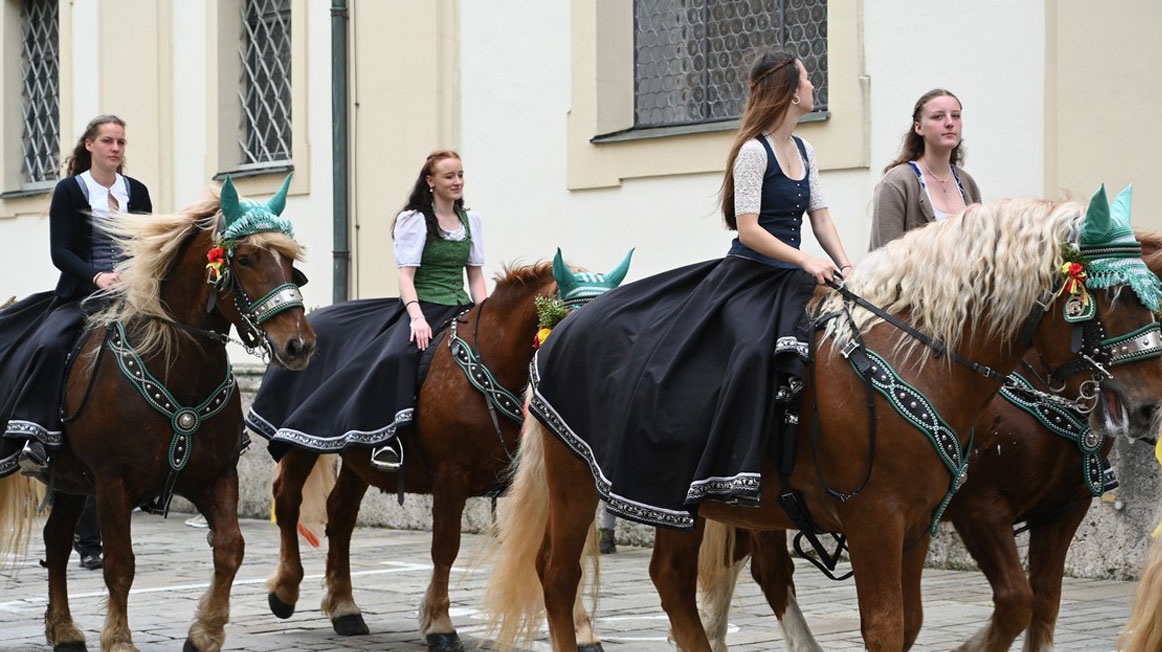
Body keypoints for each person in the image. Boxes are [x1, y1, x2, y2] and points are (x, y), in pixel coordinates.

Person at [523, 51, 853, 529]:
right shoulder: (753, 152)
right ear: (788, 90)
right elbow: (749, 228)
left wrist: (845, 266)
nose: (812, 85)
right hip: (751, 275)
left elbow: (820, 217)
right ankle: (725, 466)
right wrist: (804, 258)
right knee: (746, 349)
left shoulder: (805, 151)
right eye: (806, 77)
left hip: (795, 277)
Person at [247, 150, 486, 486]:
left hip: (461, 307)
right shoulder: (415, 220)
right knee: (394, 357)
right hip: (423, 306)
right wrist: (416, 318)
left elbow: (475, 277)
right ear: (431, 181)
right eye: (449, 176)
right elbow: (406, 277)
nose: (457, 181)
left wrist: (484, 313)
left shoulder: (470, 221)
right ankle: (385, 443)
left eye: (460, 175)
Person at [0, 114, 152, 569]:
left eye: (121, 141)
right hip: (83, 294)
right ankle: (35, 436)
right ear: (89, 145)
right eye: (108, 140)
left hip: (133, 293)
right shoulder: (72, 190)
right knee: (47, 345)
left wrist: (137, 276)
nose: (116, 148)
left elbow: (148, 243)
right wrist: (96, 275)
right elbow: (59, 251)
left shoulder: (136, 192)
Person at [869, 89, 981, 250]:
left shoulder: (967, 183)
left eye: (955, 116)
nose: (949, 123)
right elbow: (883, 255)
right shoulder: (897, 182)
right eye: (938, 116)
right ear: (918, 127)